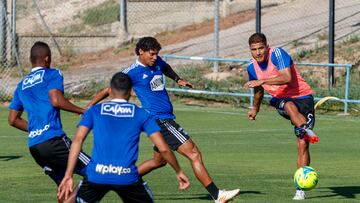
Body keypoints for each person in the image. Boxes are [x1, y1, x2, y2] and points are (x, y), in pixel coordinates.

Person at [87, 37, 240, 203]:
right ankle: (217, 195)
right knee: (194, 153)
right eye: (152, 54)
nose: (155, 57)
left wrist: (178, 79)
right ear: (140, 52)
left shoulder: (157, 62)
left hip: (162, 118)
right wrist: (89, 106)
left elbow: (165, 67)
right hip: (160, 120)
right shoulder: (132, 72)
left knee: (158, 162)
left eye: (157, 54)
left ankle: (117, 179)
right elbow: (109, 89)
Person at [57, 72, 190, 203]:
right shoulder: (142, 114)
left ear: (110, 91)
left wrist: (68, 175)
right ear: (131, 91)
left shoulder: (93, 111)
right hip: (126, 176)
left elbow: (77, 141)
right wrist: (178, 171)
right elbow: (164, 149)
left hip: (96, 175)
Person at [8, 41, 90, 202]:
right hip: (54, 141)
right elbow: (56, 100)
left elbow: (12, 120)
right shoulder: (52, 74)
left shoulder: (21, 85)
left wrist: (35, 129)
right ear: (46, 59)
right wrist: (82, 111)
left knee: (64, 189)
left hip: (35, 147)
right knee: (97, 172)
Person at [244, 33, 318, 200]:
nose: (258, 53)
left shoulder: (277, 54)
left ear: (267, 46)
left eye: (261, 48)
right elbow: (258, 92)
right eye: (254, 49)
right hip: (281, 100)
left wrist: (262, 81)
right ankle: (305, 127)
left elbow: (287, 77)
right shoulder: (251, 67)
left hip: (303, 97)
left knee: (302, 144)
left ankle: (300, 188)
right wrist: (254, 109)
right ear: (250, 50)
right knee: (288, 105)